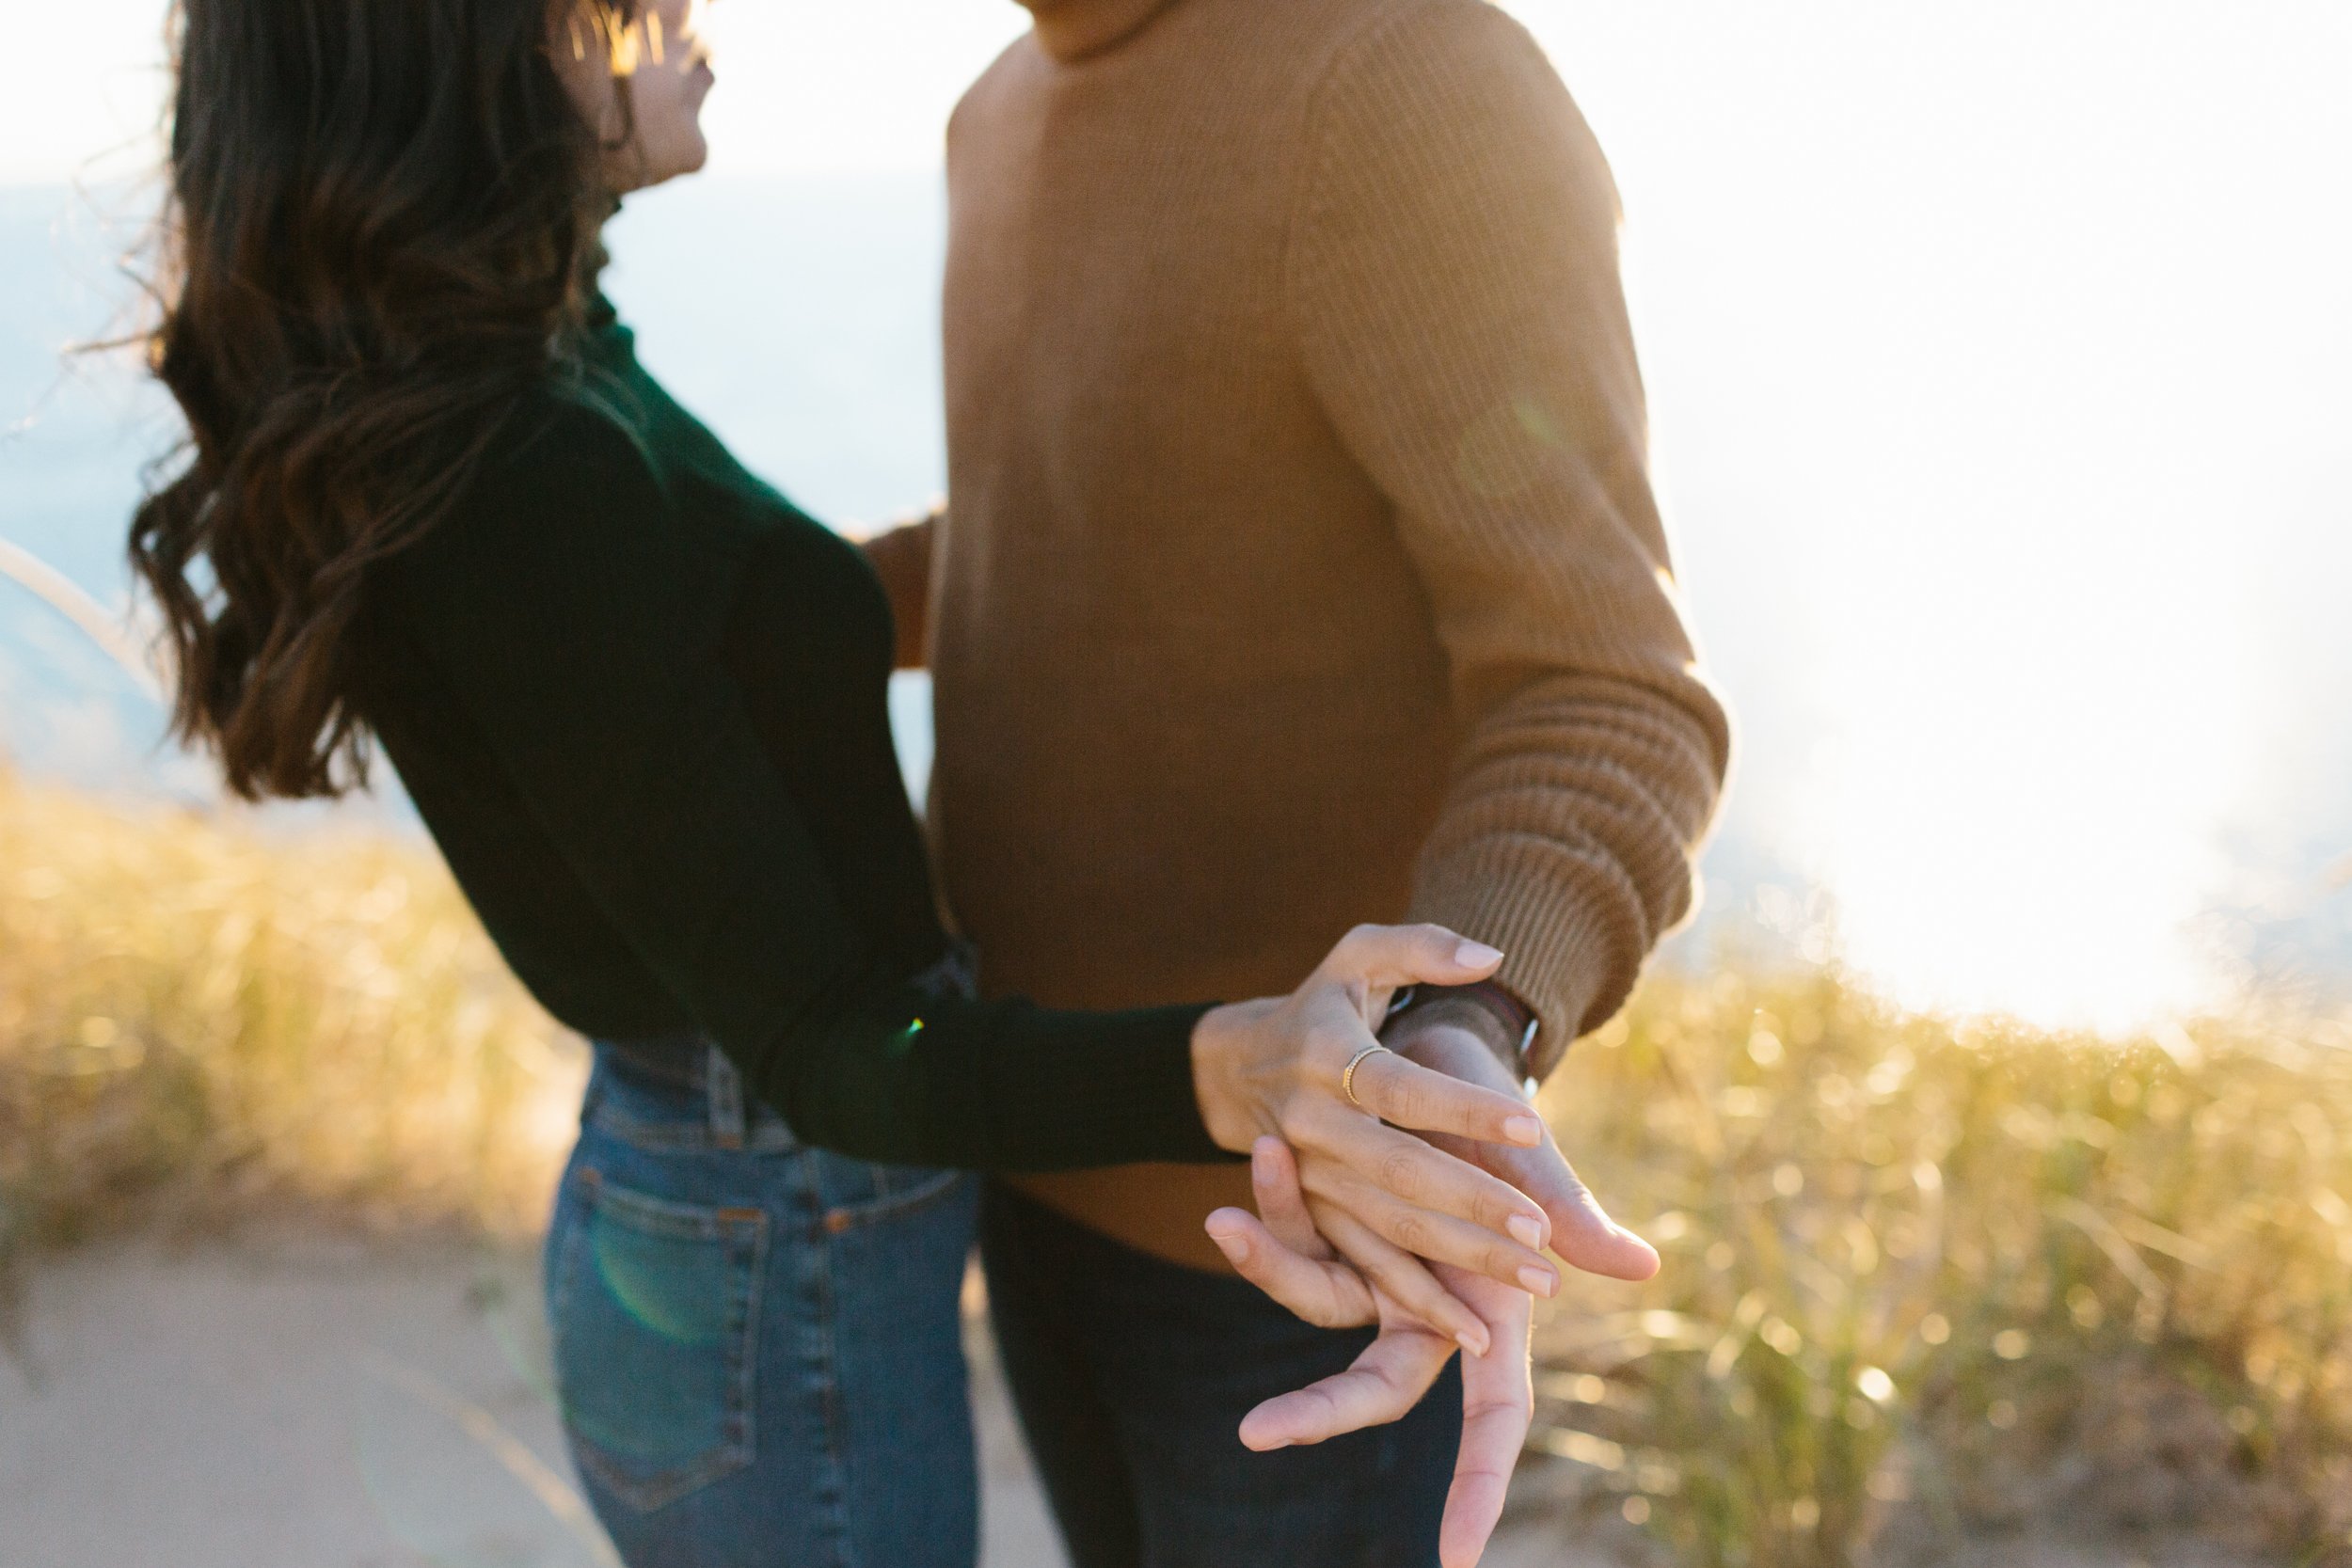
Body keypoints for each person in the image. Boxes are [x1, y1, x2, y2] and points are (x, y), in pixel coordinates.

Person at [125, 1, 1582, 1564]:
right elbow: (828, 1049)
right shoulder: (520, 473)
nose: (678, 14)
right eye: (609, 9)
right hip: (774, 1229)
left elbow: (722, 617)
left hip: (775, 1219)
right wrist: (1238, 1066)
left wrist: (1225, 508)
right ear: (468, 68)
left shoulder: (530, 359)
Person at [858, 0, 1734, 1562]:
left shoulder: (1398, 80)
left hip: (1300, 1245)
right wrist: (709, 604)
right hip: (1029, 1136)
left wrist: (1461, 1026)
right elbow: (1057, 522)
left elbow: (1605, 687)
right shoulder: (997, 103)